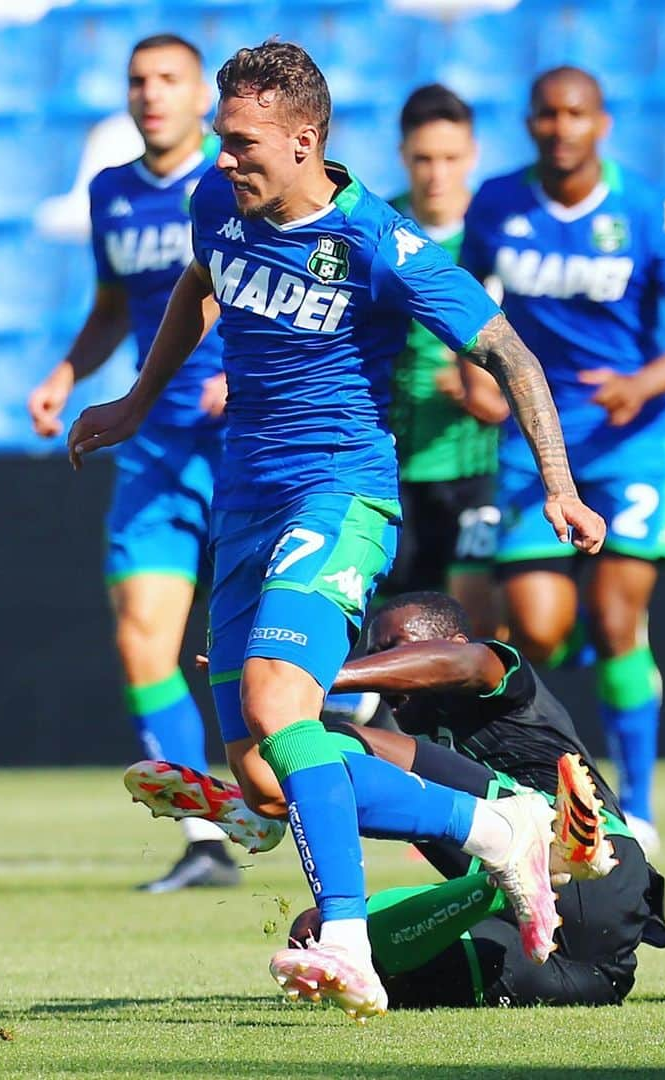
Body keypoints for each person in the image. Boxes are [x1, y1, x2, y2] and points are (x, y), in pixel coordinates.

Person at [68, 40, 605, 1020]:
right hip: (244, 502)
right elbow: (198, 288)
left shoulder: (378, 245)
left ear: (303, 139)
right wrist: (138, 403)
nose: (220, 159)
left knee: (282, 702)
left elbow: (512, 355)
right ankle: (501, 829)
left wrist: (560, 488)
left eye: (239, 142)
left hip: (339, 495)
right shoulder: (215, 206)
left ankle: (349, 942)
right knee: (268, 778)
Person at [128, 591, 665, 1008]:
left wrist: (313, 680)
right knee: (315, 942)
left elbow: (457, 664)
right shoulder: (415, 733)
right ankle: (269, 805)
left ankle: (264, 805)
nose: (383, 669)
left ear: (450, 642)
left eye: (393, 650)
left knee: (328, 742)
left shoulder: (499, 676)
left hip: (599, 870)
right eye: (374, 653)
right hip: (575, 965)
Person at [27, 34, 239, 892]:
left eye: (168, 80)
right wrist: (68, 370)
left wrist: (242, 368)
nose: (150, 95)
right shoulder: (112, 192)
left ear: (202, 100)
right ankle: (204, 836)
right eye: (138, 81)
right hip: (151, 440)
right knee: (142, 638)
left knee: (259, 648)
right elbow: (117, 304)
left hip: (243, 435)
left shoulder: (236, 180)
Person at [461, 66, 665, 856]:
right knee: (539, 628)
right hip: (537, 447)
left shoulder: (651, 209)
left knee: (621, 617)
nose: (561, 127)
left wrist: (643, 382)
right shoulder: (495, 203)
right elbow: (469, 309)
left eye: (576, 113)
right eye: (547, 114)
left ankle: (640, 805)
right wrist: (472, 381)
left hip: (633, 444)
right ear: (529, 123)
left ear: (602, 122)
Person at [386, 85, 508, 635]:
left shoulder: (498, 234)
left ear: (473, 155)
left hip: (476, 468)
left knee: (471, 627)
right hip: (388, 466)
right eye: (423, 159)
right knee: (397, 632)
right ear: (402, 155)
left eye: (450, 158)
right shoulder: (374, 230)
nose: (437, 174)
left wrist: (488, 390)